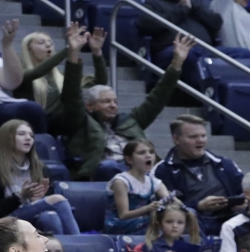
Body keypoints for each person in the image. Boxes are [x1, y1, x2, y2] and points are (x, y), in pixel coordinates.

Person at [62, 31, 192, 181]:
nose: (113, 106)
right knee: (109, 167)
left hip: (143, 171)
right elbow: (71, 94)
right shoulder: (79, 122)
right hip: (107, 175)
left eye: (115, 102)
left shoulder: (130, 120)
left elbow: (159, 97)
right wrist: (73, 53)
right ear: (90, 107)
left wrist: (177, 62)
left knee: (176, 170)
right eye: (106, 102)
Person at [0, 119, 79, 235]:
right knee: (57, 199)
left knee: (50, 217)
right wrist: (20, 197)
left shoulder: (40, 167)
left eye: (31, 136)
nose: (28, 138)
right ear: (7, 138)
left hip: (30, 219)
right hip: (2, 221)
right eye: (21, 134)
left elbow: (42, 202)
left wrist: (38, 200)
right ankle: (79, 244)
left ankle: (56, 251)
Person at [154, 114, 246, 233]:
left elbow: (245, 190)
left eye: (203, 136)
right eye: (193, 137)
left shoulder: (224, 163)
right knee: (190, 215)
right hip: (191, 221)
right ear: (176, 139)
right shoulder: (163, 170)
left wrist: (244, 203)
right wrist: (198, 206)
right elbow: (166, 207)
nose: (201, 140)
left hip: (228, 218)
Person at [137, 0, 220, 91]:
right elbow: (148, 25)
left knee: (243, 54)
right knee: (188, 55)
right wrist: (183, 8)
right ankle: (203, 96)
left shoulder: (194, 4)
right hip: (172, 51)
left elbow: (216, 23)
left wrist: (192, 5)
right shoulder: (153, 5)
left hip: (206, 50)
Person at [16, 24, 107, 120]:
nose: (48, 45)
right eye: (41, 42)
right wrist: (70, 49)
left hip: (61, 124)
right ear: (29, 50)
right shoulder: (19, 75)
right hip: (34, 123)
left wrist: (97, 52)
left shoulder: (62, 76)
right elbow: (37, 72)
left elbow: (100, 81)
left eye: (50, 43)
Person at [103, 139, 169, 235]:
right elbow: (123, 215)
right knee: (158, 222)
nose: (148, 155)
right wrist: (147, 209)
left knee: (175, 218)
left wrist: (176, 204)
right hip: (119, 223)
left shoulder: (153, 181)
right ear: (129, 159)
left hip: (143, 220)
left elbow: (169, 199)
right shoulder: (121, 181)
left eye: (151, 152)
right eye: (142, 153)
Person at [145, 201, 211, 252]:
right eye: (169, 222)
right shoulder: (152, 245)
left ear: (185, 225)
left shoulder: (190, 245)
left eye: (180, 222)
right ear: (159, 223)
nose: (175, 226)